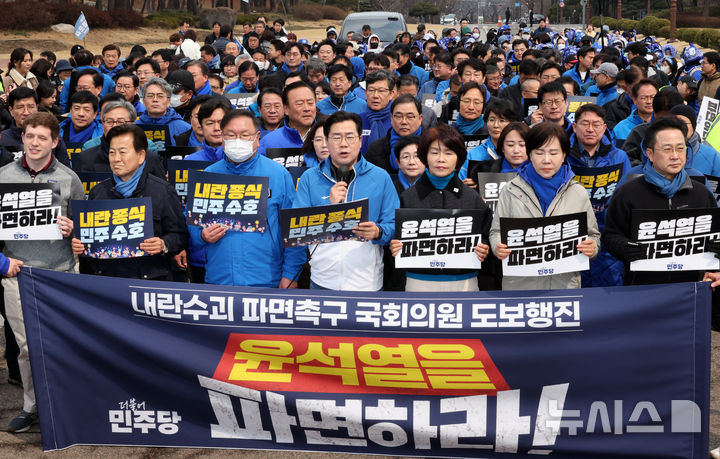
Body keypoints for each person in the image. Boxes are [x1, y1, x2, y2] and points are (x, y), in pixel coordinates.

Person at [1, 111, 83, 433]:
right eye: (30, 136)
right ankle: (31, 407)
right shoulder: (4, 176)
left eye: (42, 137)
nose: (35, 143)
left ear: (55, 141)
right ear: (22, 138)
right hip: (18, 273)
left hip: (61, 273)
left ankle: (65, 404)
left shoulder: (69, 179)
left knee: (62, 344)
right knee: (25, 347)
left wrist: (73, 228)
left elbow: (85, 231)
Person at [189, 110, 306, 286]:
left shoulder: (278, 174)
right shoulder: (208, 176)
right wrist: (202, 235)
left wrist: (290, 274)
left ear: (257, 138)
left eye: (244, 135)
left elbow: (294, 227)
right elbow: (192, 222)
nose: (237, 141)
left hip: (267, 278)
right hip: (219, 278)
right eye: (230, 135)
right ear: (222, 137)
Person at [603, 117, 718, 286]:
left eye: (680, 149)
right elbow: (611, 235)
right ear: (649, 153)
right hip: (641, 290)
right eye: (667, 149)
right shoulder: (628, 192)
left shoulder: (701, 193)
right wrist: (624, 247)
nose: (675, 156)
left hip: (691, 290)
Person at [293, 111, 399, 291]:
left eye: (350, 137)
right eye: (336, 137)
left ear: (360, 140)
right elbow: (296, 230)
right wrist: (329, 209)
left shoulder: (380, 178)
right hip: (322, 280)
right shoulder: (309, 178)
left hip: (367, 282)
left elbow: (395, 224)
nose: (343, 144)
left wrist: (378, 232)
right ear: (326, 141)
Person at [490, 122, 600, 290]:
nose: (546, 160)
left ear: (564, 155)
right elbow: (496, 231)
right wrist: (498, 246)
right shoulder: (510, 190)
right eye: (539, 152)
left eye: (554, 153)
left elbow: (593, 235)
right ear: (530, 154)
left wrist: (591, 247)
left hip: (564, 286)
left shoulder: (578, 193)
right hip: (520, 286)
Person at [71, 124, 187, 279]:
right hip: (106, 282)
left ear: (141, 156)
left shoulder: (162, 191)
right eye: (112, 152)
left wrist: (163, 244)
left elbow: (180, 235)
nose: (116, 159)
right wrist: (80, 245)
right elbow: (88, 241)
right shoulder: (98, 192)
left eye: (123, 152)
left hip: (149, 281)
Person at [388, 125, 491, 291]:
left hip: (464, 282)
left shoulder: (473, 198)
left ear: (458, 158)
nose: (441, 159)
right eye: (434, 152)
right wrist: (394, 245)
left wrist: (484, 247)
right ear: (424, 156)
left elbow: (486, 233)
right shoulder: (406, 197)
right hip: (418, 282)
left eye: (449, 153)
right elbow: (393, 234)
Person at [567, 103, 631, 287]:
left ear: (604, 128)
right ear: (574, 126)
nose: (590, 129)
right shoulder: (562, 156)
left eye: (596, 124)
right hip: (574, 235)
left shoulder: (620, 157)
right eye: (585, 123)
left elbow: (623, 197)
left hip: (608, 234)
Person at [74, 100, 165, 178]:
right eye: (109, 121)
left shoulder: (150, 158)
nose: (114, 126)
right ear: (102, 124)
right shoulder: (86, 158)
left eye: (121, 122)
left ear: (133, 125)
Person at [0, 87, 70, 167]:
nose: (26, 112)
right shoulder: (2, 138)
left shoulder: (51, 137)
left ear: (37, 108)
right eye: (20, 107)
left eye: (31, 107)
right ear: (11, 110)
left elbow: (65, 171)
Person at [366, 94, 423, 174]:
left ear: (420, 119)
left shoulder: (430, 146)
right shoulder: (376, 149)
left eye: (410, 117)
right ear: (391, 118)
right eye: (399, 116)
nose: (404, 122)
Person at [460, 98, 516, 181]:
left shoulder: (519, 152)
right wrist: (466, 187)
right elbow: (460, 183)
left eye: (502, 120)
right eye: (492, 120)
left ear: (512, 123)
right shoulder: (474, 154)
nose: (496, 125)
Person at [258, 82, 316, 157]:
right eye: (299, 104)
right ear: (286, 109)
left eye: (310, 103)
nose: (307, 109)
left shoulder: (327, 136)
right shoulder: (268, 142)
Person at [136, 78, 191, 147]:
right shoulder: (134, 128)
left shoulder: (185, 128)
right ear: (143, 101)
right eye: (150, 96)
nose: (155, 100)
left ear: (168, 102)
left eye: (160, 96)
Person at [612, 78, 658, 148]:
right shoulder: (620, 129)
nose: (649, 101)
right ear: (634, 100)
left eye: (653, 97)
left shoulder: (665, 126)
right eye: (644, 98)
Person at [359, 70, 396, 154]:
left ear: (391, 94)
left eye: (381, 91)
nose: (375, 95)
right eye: (371, 90)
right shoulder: (357, 120)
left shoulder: (398, 120)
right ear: (365, 93)